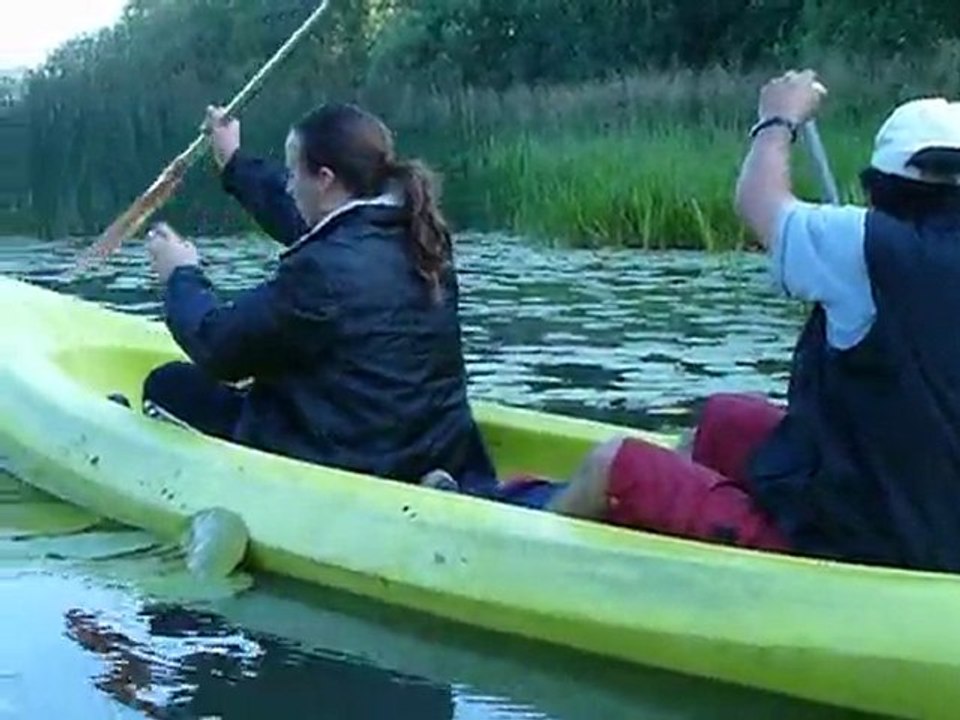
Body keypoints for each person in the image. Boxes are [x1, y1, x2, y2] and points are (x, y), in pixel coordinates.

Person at [500, 70, 960, 574]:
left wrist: (778, 119)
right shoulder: (872, 247)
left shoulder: (864, 245)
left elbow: (757, 201)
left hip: (859, 545)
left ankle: (517, 553)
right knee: (723, 421)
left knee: (615, 465)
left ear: (882, 188)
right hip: (911, 508)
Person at [141, 103, 496, 489]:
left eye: (294, 172)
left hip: (352, 460)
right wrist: (234, 163)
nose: (289, 185)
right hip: (435, 450)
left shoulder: (320, 272)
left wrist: (181, 274)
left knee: (169, 385)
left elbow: (217, 346)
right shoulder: (421, 237)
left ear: (325, 179)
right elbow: (300, 217)